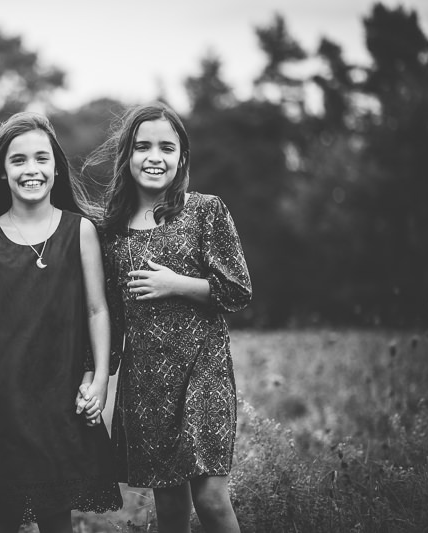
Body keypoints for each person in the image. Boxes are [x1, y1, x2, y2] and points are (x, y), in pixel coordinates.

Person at [0, 112, 122, 533]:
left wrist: (98, 379)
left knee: (55, 515)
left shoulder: (80, 232)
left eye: (41, 159)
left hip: (59, 399)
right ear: (3, 172)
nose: (31, 169)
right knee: (2, 517)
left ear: (56, 167)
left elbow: (98, 310)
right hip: (2, 404)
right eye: (18, 160)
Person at [86, 102, 252, 533]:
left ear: (182, 158)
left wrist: (177, 283)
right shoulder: (112, 232)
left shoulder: (204, 211)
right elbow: (109, 314)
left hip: (204, 370)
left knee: (211, 499)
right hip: (147, 385)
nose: (154, 157)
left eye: (166, 147)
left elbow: (238, 290)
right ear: (128, 157)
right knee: (171, 509)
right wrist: (97, 376)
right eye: (142, 147)